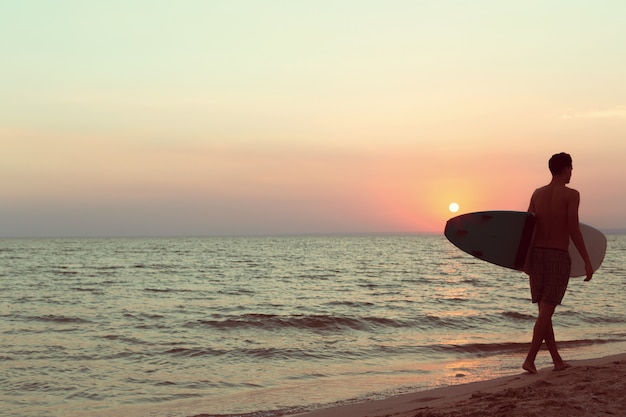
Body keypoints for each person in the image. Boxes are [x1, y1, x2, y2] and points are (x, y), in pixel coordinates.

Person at [522, 152, 593, 374]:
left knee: (545, 310)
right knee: (546, 311)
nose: (572, 172)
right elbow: (573, 228)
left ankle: (557, 361)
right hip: (557, 256)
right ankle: (530, 359)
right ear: (565, 169)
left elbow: (528, 229)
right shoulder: (571, 195)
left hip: (536, 255)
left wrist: (524, 259)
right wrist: (587, 260)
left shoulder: (537, 194)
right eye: (571, 168)